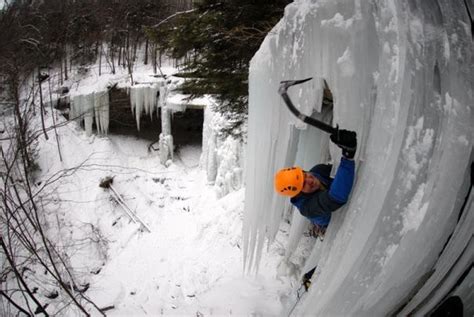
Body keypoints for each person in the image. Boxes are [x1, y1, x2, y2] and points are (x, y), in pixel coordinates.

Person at [274, 130, 357, 238]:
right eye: (303, 185)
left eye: (305, 175)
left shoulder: (318, 170)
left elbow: (341, 171)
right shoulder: (307, 208)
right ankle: (316, 229)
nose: (310, 180)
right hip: (326, 221)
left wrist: (344, 145)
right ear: (299, 194)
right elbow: (336, 198)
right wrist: (348, 155)